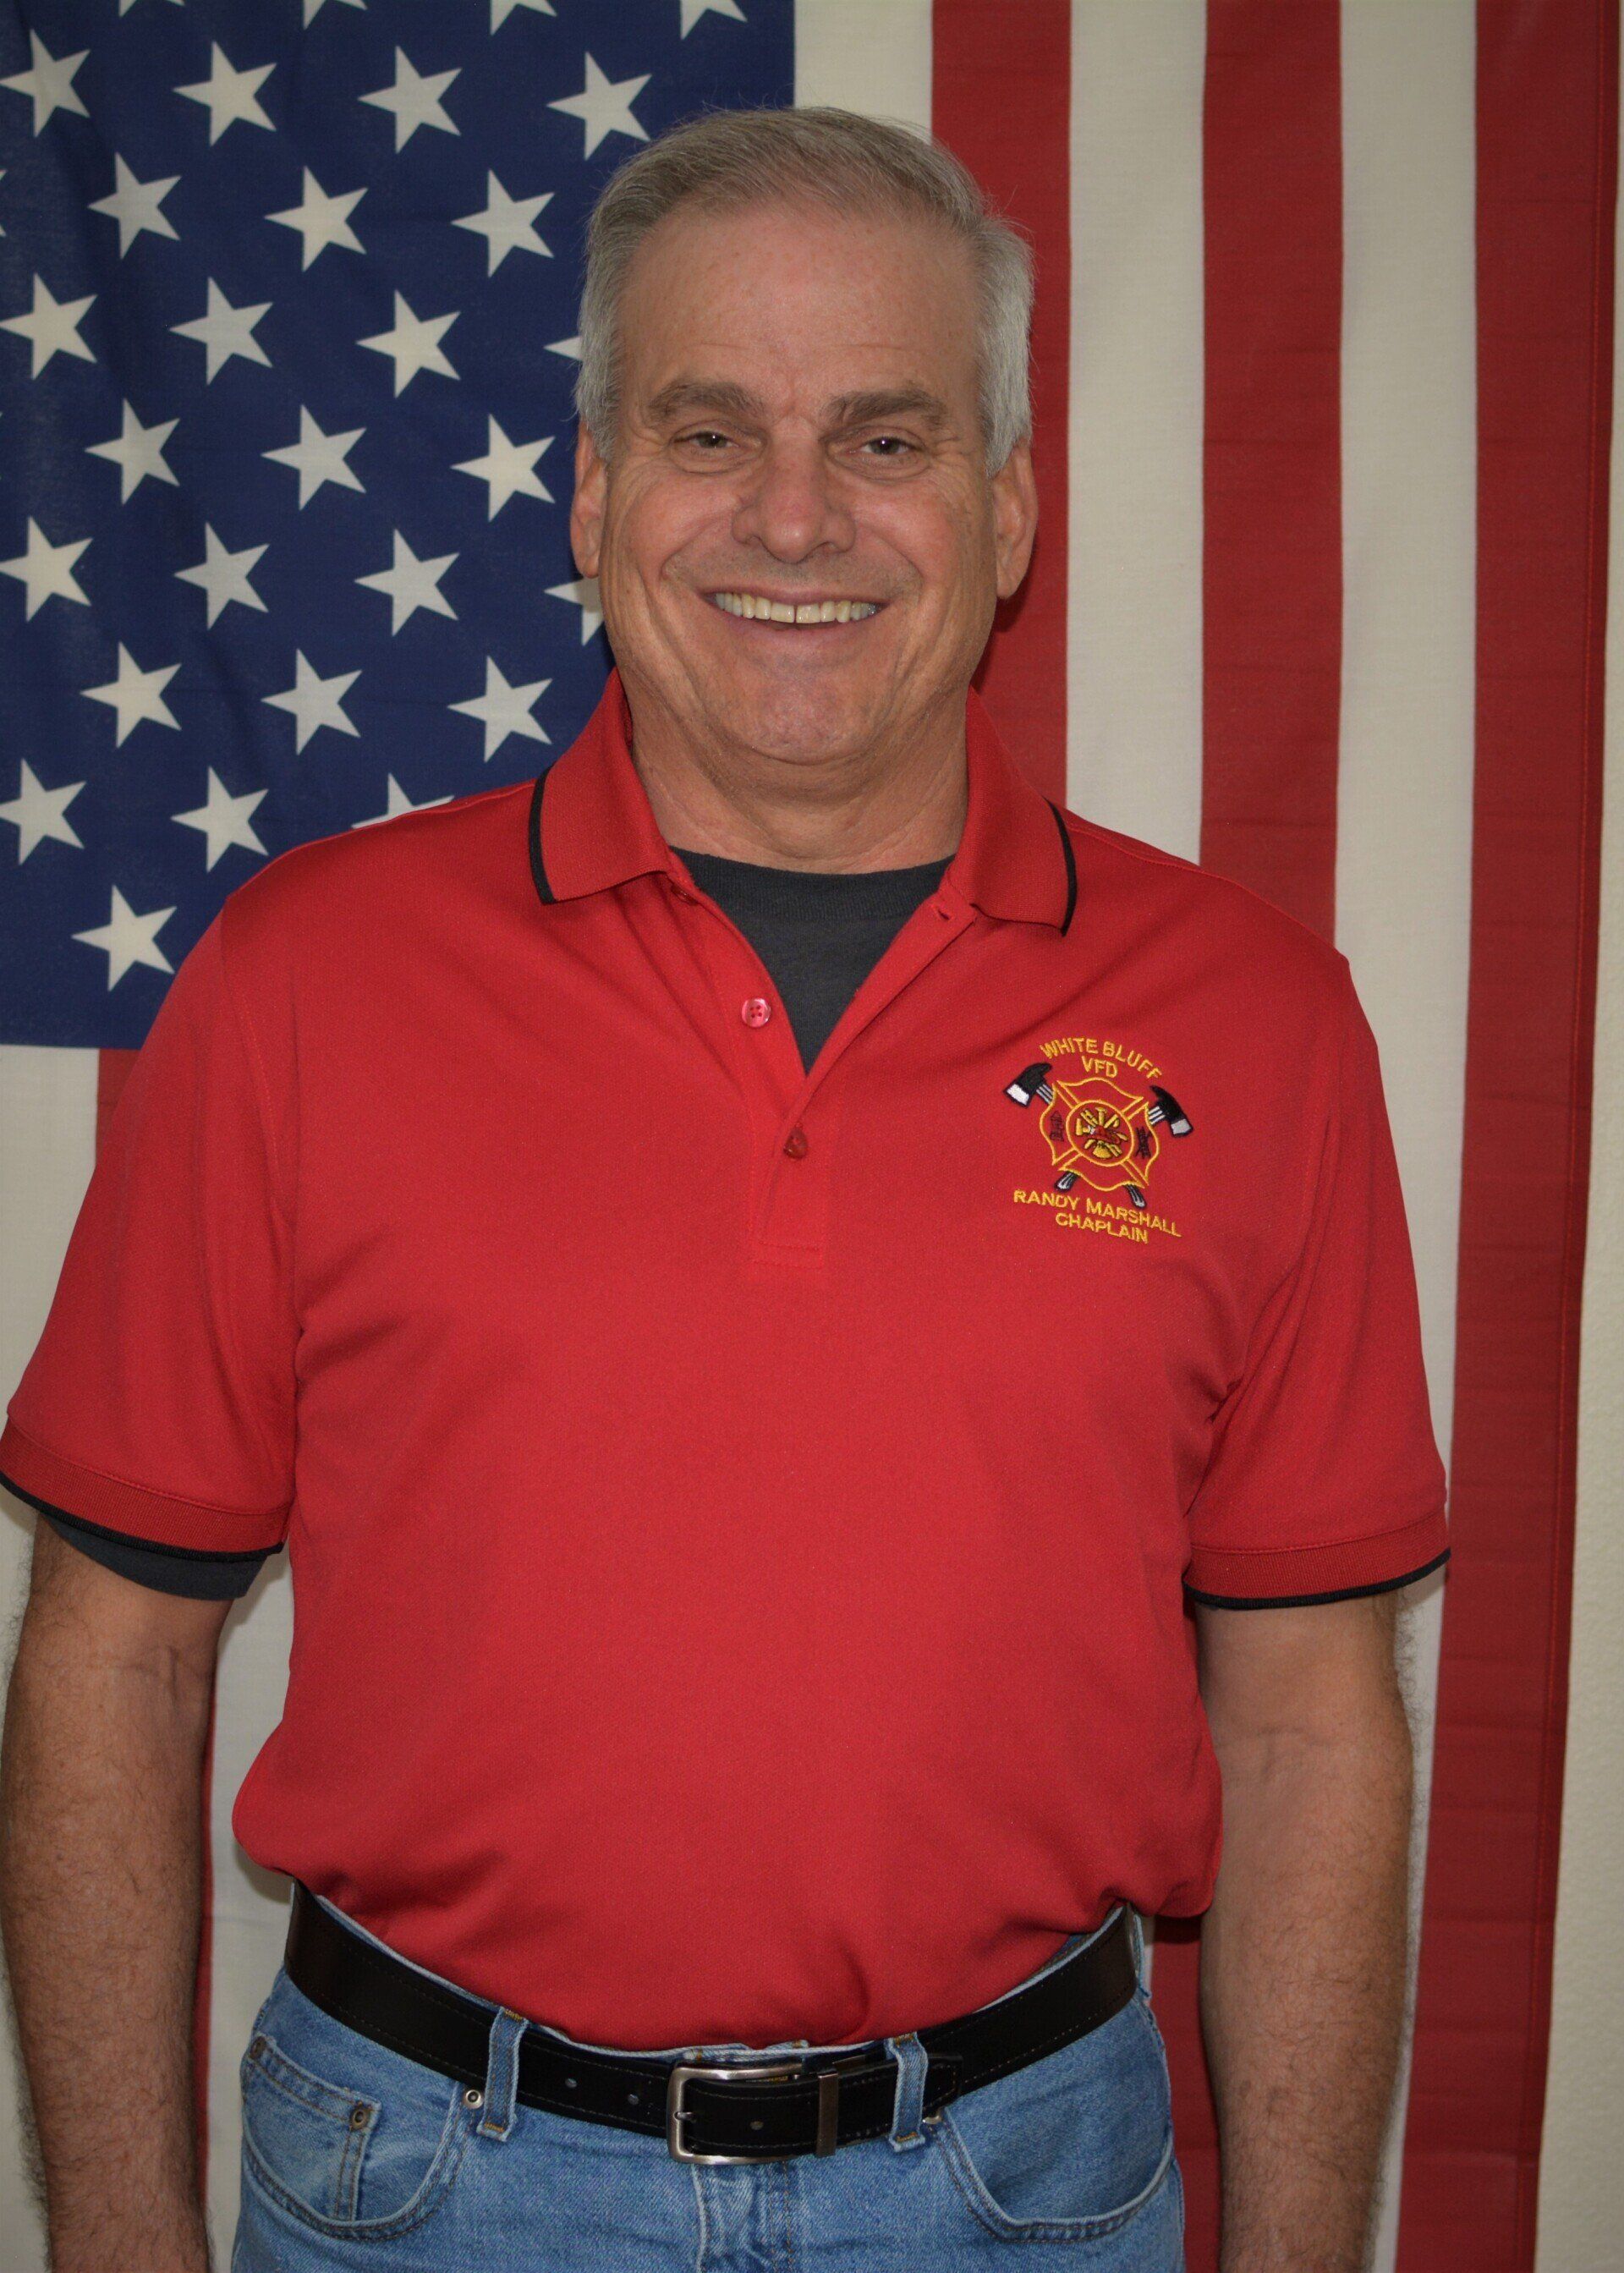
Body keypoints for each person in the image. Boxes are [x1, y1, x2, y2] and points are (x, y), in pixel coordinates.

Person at [0, 104, 1449, 2273]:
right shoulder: (305, 979)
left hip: (1027, 2193)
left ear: (1008, 508)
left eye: (885, 435)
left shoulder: (1255, 1022)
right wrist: (119, 2246)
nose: (796, 513)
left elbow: (1316, 1717)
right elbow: (113, 1656)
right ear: (593, 496)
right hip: (420, 2190)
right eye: (709, 429)